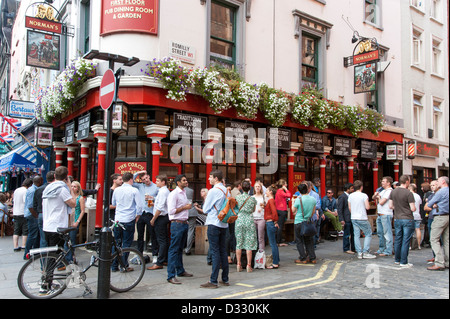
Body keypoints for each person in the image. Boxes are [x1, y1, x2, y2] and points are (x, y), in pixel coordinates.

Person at [40, 166, 77, 295]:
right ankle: (46, 285)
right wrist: (70, 187)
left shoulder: (48, 188)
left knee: (51, 255)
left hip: (47, 225)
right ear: (66, 177)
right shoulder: (62, 189)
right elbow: (73, 203)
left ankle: (47, 281)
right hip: (57, 226)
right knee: (55, 256)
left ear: (54, 176)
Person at [200, 170, 229, 288]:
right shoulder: (226, 190)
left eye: (210, 177)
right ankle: (225, 279)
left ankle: (213, 281)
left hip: (214, 222)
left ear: (216, 178)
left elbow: (206, 209)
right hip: (224, 223)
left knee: (215, 251)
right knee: (223, 251)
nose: (208, 179)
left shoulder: (213, 191)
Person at [111, 172, 143, 271]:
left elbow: (113, 203)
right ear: (131, 179)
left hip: (118, 219)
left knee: (117, 243)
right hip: (129, 219)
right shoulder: (134, 190)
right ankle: (124, 265)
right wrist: (138, 216)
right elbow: (139, 206)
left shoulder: (116, 190)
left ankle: (114, 265)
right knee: (126, 244)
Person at [166, 174, 193, 284]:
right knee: (174, 249)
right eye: (184, 180)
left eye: (186, 180)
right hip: (177, 224)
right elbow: (171, 211)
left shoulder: (184, 193)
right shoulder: (174, 194)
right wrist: (184, 207)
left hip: (183, 223)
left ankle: (180, 270)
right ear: (178, 183)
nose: (186, 182)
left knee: (179, 249)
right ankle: (171, 275)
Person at [389, 175, 416, 268]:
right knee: (406, 240)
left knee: (397, 239)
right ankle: (404, 261)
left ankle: (397, 259)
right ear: (407, 181)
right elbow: (413, 208)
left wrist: (398, 208)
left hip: (397, 218)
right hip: (407, 218)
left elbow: (390, 206)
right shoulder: (408, 193)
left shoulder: (393, 192)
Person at [133, 170, 159, 259]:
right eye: (144, 179)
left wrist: (153, 198)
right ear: (142, 180)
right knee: (140, 235)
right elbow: (131, 181)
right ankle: (139, 254)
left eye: (147, 178)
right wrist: (138, 172)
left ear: (149, 177)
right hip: (141, 213)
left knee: (153, 234)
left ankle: (155, 254)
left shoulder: (155, 187)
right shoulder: (140, 186)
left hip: (150, 213)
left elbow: (161, 198)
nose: (146, 180)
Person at [424, 176, 449, 271]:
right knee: (447, 240)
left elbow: (429, 204)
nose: (437, 183)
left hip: (440, 216)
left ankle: (439, 262)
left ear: (443, 182)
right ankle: (447, 262)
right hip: (447, 215)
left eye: (438, 181)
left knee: (434, 239)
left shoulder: (441, 192)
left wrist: (434, 204)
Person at [348, 180, 376, 259]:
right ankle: (366, 251)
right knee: (368, 233)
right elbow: (367, 207)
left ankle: (359, 252)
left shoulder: (351, 195)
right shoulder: (364, 195)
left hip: (354, 217)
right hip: (362, 217)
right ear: (361, 187)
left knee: (356, 235)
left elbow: (349, 207)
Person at [148, 175, 170, 270]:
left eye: (157, 181)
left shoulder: (163, 192)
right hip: (163, 217)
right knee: (164, 239)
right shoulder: (163, 191)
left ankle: (160, 261)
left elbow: (160, 208)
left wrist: (153, 219)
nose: (156, 182)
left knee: (161, 240)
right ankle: (165, 259)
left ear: (163, 182)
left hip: (161, 218)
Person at [235, 180, 257, 273]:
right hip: (249, 220)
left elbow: (235, 208)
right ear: (249, 188)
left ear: (241, 187)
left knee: (239, 243)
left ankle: (238, 264)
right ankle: (248, 265)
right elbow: (253, 210)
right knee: (249, 244)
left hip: (239, 220)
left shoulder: (237, 197)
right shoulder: (252, 199)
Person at [292, 183, 317, 264]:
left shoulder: (299, 200)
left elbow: (293, 210)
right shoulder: (313, 199)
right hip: (308, 222)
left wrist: (293, 202)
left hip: (299, 222)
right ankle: (312, 257)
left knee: (299, 241)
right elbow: (313, 212)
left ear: (299, 191)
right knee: (309, 240)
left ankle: (303, 258)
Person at [31, 171, 55, 248]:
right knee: (53, 238)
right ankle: (52, 257)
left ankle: (43, 259)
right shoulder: (55, 189)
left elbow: (34, 205)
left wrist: (38, 214)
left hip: (41, 214)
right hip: (51, 214)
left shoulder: (38, 189)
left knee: (43, 238)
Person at [372, 176, 394, 256]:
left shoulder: (389, 191)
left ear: (388, 183)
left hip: (386, 214)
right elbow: (373, 197)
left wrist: (377, 197)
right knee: (380, 232)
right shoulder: (383, 191)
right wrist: (376, 196)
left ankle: (388, 250)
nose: (382, 182)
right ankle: (381, 248)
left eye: (384, 181)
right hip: (380, 214)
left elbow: (381, 202)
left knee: (387, 233)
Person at [65, 181, 86, 263]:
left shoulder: (80, 198)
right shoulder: (68, 197)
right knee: (67, 241)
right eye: (72, 186)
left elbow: (82, 211)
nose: (73, 188)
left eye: (75, 186)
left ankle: (70, 258)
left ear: (78, 188)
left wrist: (78, 221)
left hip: (74, 220)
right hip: (67, 221)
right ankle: (69, 258)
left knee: (72, 240)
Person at [23, 176, 43, 259]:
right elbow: (30, 206)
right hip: (32, 215)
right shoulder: (33, 190)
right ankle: (27, 254)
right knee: (32, 235)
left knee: (35, 234)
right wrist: (36, 216)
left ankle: (33, 252)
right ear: (39, 181)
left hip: (31, 214)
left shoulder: (32, 189)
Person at [12, 178, 33, 252]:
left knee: (16, 230)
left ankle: (15, 246)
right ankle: (23, 245)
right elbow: (25, 202)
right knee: (25, 230)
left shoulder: (16, 190)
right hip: (23, 212)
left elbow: (14, 200)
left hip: (16, 212)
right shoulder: (26, 191)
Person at [264, 186, 280, 269]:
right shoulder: (271, 201)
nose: (265, 192)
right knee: (274, 243)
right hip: (271, 222)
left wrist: (275, 221)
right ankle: (276, 260)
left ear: (270, 192)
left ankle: (275, 263)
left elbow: (274, 212)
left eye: (267, 190)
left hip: (270, 222)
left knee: (272, 244)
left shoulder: (270, 201)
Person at [337, 183, 355, 254]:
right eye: (351, 188)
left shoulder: (351, 196)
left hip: (352, 217)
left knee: (353, 234)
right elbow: (340, 209)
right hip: (346, 217)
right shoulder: (342, 197)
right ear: (348, 189)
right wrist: (341, 219)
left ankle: (353, 248)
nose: (353, 190)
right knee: (347, 234)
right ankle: (346, 248)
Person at [424, 180, 438, 263]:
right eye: (431, 185)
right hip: (430, 217)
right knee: (432, 238)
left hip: (437, 217)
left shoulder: (440, 194)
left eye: (434, 185)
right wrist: (433, 206)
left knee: (440, 239)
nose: (432, 186)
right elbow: (425, 207)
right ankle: (435, 255)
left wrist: (431, 206)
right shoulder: (431, 195)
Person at [274, 179, 291, 246]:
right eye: (286, 184)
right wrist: (286, 189)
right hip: (282, 210)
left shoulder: (278, 191)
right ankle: (279, 241)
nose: (286, 185)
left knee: (279, 225)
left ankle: (278, 240)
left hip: (278, 209)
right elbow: (289, 195)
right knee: (280, 226)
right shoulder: (281, 191)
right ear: (283, 185)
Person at [252, 181, 266, 252]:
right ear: (254, 188)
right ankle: (254, 253)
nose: (257, 188)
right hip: (253, 218)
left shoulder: (264, 197)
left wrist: (263, 207)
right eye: (256, 186)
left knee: (260, 237)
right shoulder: (252, 197)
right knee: (253, 237)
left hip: (261, 218)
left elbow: (267, 207)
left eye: (258, 186)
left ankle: (261, 253)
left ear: (261, 188)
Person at [409, 183, 423, 249]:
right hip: (417, 214)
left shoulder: (409, 195)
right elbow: (420, 204)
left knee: (410, 230)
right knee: (417, 229)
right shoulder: (418, 196)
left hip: (411, 215)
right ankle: (418, 244)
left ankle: (411, 245)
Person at [184, 185, 197, 255]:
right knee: (191, 230)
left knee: (181, 230)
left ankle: (180, 247)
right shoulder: (191, 190)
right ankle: (188, 249)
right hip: (192, 211)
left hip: (183, 212)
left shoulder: (178, 191)